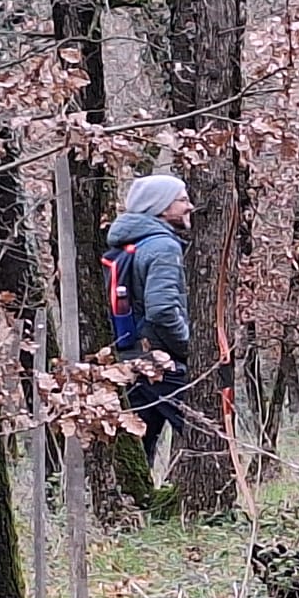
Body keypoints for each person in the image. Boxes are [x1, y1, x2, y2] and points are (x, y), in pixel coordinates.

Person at [105, 173, 195, 468]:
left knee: (140, 445)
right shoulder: (162, 247)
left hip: (130, 359)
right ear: (161, 208)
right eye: (182, 200)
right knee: (206, 435)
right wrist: (188, 347)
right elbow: (163, 310)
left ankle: (137, 509)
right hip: (160, 362)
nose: (190, 206)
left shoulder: (130, 243)